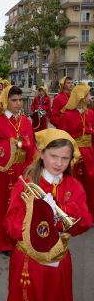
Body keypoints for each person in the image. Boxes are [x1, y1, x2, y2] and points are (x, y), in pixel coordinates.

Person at [0, 129, 92, 301]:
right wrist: (36, 212)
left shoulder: (73, 186)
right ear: (41, 154)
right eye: (53, 156)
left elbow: (85, 221)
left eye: (65, 158)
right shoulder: (25, 184)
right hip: (28, 263)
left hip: (58, 264)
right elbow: (10, 227)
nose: (59, 163)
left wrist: (58, 213)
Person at [0, 86, 35, 252]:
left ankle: (19, 237)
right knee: (4, 205)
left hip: (22, 169)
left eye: (20, 100)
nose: (18, 103)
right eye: (14, 100)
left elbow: (31, 146)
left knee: (21, 204)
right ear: (6, 101)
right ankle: (3, 241)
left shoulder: (25, 120)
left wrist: (32, 167)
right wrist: (9, 145)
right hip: (4, 171)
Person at [58, 83, 94, 216]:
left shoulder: (91, 113)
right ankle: (71, 213)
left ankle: (89, 212)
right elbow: (62, 137)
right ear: (81, 97)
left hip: (90, 154)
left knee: (90, 183)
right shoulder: (67, 116)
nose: (91, 97)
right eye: (89, 94)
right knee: (72, 184)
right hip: (73, 155)